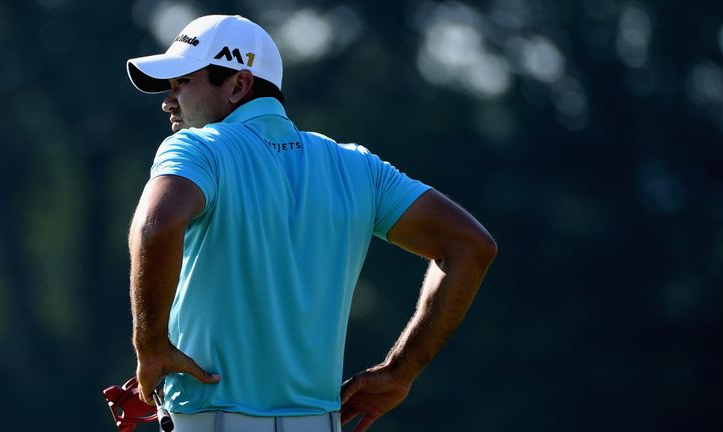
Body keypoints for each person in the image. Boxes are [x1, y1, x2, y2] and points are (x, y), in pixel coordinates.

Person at [125, 14, 497, 432]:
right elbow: (469, 246)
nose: (167, 101)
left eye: (182, 83)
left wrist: (151, 345)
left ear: (238, 86)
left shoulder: (195, 148)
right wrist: (400, 371)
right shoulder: (356, 166)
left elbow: (156, 226)